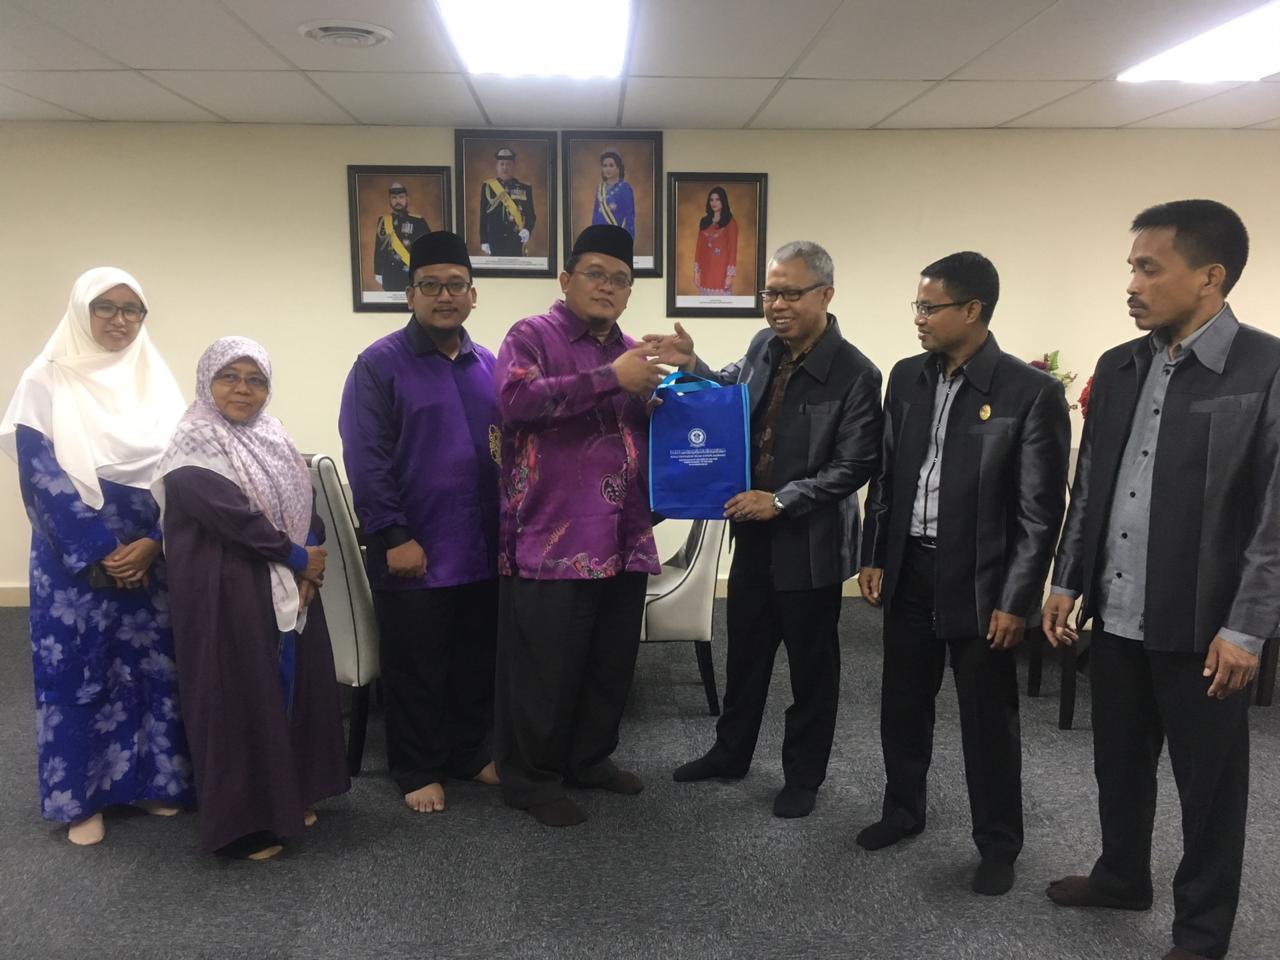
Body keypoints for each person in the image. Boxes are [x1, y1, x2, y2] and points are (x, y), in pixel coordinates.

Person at [1042, 200, 1278, 960]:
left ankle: (1202, 931)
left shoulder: (1265, 369)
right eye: (1131, 268)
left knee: (1209, 790)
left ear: (1210, 276)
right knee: (1118, 762)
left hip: (1207, 627)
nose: (1133, 285)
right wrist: (1066, 579)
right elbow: (1091, 484)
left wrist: (1247, 628)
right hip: (1116, 612)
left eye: (1149, 268)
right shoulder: (1120, 366)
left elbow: (1275, 519)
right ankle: (1121, 876)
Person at [855, 252, 1071, 895]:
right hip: (910, 567)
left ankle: (998, 844)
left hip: (982, 584)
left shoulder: (1029, 393)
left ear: (972, 310)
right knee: (903, 702)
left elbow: (1039, 513)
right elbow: (887, 476)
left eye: (930, 307)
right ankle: (903, 810)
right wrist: (874, 553)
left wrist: (1017, 599)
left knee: (987, 719)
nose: (918, 318)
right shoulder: (908, 377)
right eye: (917, 306)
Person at [664, 241, 883, 818]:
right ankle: (730, 754)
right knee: (746, 657)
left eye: (790, 293)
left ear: (826, 295)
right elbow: (731, 397)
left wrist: (782, 500)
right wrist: (692, 366)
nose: (777, 304)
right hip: (754, 538)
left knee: (812, 670)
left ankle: (803, 776)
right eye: (770, 292)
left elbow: (854, 464)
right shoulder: (763, 345)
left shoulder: (857, 373)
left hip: (810, 546)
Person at [1, 267, 194, 846]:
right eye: (105, 306)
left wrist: (156, 542)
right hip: (75, 556)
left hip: (151, 548)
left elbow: (185, 472)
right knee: (80, 673)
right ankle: (82, 801)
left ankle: (153, 781)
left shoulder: (156, 380)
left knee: (154, 668)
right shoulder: (45, 379)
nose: (119, 319)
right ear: (81, 310)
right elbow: (40, 476)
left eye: (132, 309)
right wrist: (101, 550)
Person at [493, 224, 668, 827]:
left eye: (620, 279)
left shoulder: (635, 351)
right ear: (566, 279)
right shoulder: (530, 335)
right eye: (595, 273)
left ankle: (588, 760)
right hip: (552, 539)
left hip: (624, 536)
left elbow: (662, 429)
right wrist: (612, 378)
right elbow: (515, 402)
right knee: (545, 672)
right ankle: (531, 781)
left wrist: (682, 378)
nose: (607, 286)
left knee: (608, 665)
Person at [156, 336, 349, 860]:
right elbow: (229, 516)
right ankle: (243, 826)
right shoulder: (193, 442)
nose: (243, 389)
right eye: (229, 377)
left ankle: (291, 793)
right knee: (235, 696)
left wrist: (311, 555)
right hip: (225, 589)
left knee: (289, 688)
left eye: (256, 380)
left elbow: (305, 499)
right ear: (206, 382)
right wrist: (298, 558)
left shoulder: (272, 434)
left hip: (285, 579)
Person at [339, 231, 501, 815]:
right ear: (409, 295)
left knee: (476, 660)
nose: (444, 296)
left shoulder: (489, 366)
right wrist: (393, 535)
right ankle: (417, 766)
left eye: (455, 285)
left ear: (473, 295)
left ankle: (469, 752)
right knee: (416, 665)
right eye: (430, 285)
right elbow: (367, 459)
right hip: (416, 545)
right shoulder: (378, 365)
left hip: (484, 545)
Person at [373, 181, 431, 293]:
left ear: (407, 199)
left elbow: (427, 249)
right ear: (389, 200)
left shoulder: (418, 221)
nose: (397, 201)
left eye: (401, 197)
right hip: (390, 275)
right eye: (394, 198)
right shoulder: (383, 220)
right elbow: (379, 248)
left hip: (411, 273)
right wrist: (378, 272)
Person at [479, 147, 536, 257]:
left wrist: (527, 229)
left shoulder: (524, 188)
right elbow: (483, 216)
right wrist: (484, 240)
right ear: (497, 166)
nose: (505, 168)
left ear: (513, 166)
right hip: (494, 242)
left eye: (508, 164)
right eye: (502, 164)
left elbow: (531, 215)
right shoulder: (488, 187)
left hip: (516, 240)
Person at [693, 186, 738, 296]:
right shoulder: (704, 222)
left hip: (721, 272)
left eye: (717, 199)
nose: (714, 203)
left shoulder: (730, 223)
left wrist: (729, 276)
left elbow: (733, 250)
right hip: (705, 272)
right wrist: (696, 273)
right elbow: (699, 248)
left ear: (723, 201)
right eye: (711, 200)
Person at [591, 150, 636, 238]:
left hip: (617, 236)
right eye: (605, 166)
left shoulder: (625, 188)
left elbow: (629, 216)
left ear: (618, 168)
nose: (607, 169)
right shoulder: (600, 188)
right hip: (600, 235)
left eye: (611, 165)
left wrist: (628, 238)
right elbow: (595, 215)